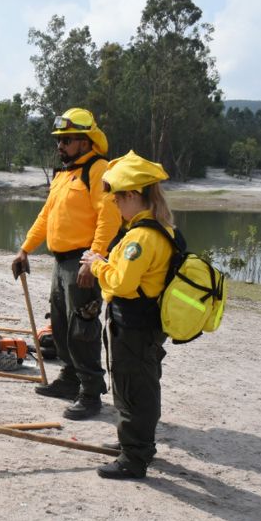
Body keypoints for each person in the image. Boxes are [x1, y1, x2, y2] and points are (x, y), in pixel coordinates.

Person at [11, 108, 121, 420]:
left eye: (67, 140)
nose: (60, 145)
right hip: (60, 264)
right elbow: (46, 216)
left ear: (86, 142)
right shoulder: (65, 175)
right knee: (59, 325)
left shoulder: (98, 170)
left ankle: (91, 392)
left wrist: (94, 257)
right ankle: (70, 379)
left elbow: (109, 217)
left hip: (82, 262)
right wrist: (25, 249)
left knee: (82, 329)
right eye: (59, 140)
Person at [80, 151, 175, 479]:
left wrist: (97, 264)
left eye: (118, 200)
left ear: (133, 196)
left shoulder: (140, 238)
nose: (116, 207)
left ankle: (134, 458)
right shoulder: (153, 230)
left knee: (135, 387)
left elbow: (122, 281)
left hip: (135, 324)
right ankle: (132, 444)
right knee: (133, 384)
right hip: (139, 324)